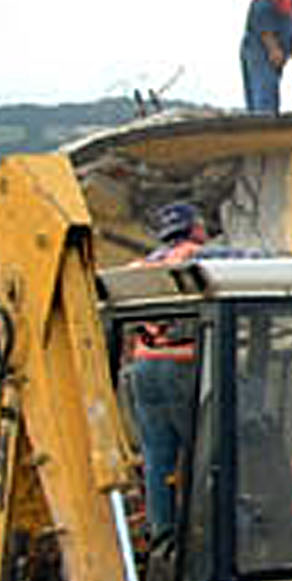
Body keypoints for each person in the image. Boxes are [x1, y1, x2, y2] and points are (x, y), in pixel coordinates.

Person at [126, 202, 207, 535]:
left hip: (144, 367)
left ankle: (163, 532)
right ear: (194, 228)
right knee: (204, 449)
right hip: (182, 365)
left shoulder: (141, 266)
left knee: (157, 456)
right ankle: (203, 527)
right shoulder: (195, 257)